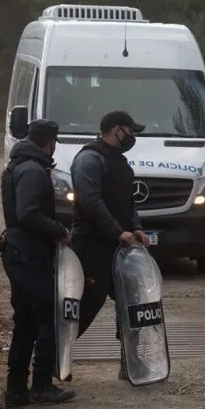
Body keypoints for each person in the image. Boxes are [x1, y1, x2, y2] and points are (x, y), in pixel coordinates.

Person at [0, 119, 75, 407]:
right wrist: (59, 230)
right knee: (45, 319)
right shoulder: (32, 169)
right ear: (50, 141)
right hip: (29, 253)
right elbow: (28, 213)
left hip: (20, 252)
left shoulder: (19, 164)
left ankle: (17, 388)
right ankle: (41, 384)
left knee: (26, 322)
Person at [71, 111, 150, 379]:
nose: (133, 136)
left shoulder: (120, 162)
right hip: (93, 245)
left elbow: (128, 202)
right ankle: (50, 362)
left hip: (120, 246)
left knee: (133, 303)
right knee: (82, 307)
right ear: (117, 130)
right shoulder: (89, 159)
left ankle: (130, 360)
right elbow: (90, 201)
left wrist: (136, 227)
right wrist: (117, 231)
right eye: (131, 131)